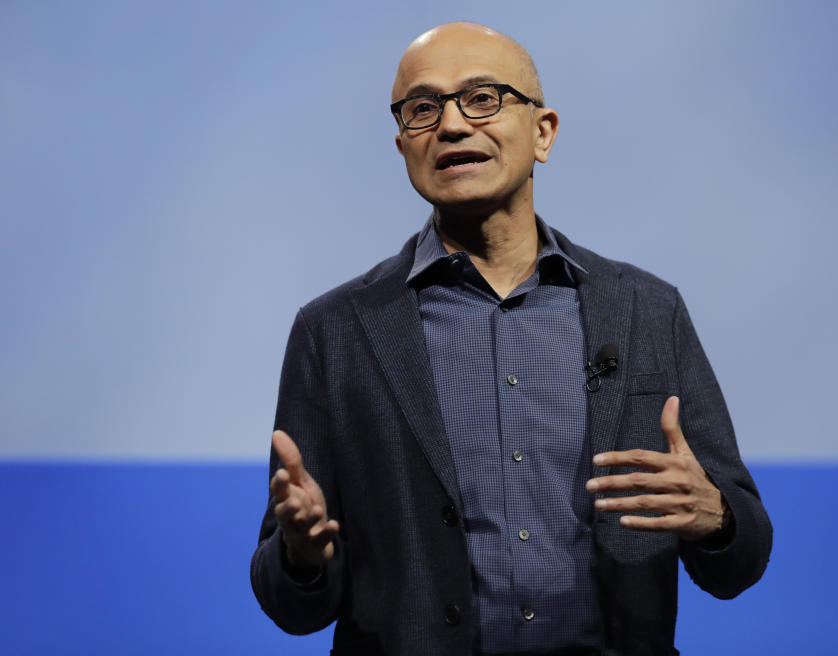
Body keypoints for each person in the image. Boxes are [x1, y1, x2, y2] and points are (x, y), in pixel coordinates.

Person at [251, 21, 771, 656]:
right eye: (423, 108)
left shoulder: (646, 310)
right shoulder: (335, 331)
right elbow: (288, 603)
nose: (450, 125)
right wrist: (303, 556)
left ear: (543, 132)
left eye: (482, 98)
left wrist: (714, 515)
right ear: (403, 145)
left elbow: (741, 561)